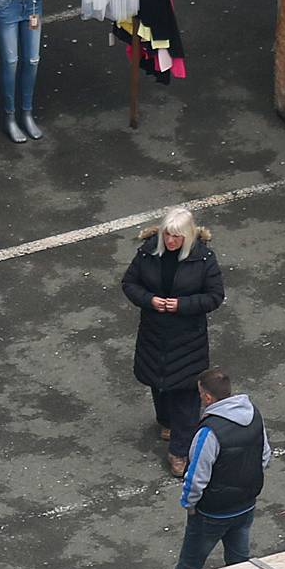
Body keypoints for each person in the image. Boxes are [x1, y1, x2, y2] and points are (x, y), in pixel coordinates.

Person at [120, 204, 225, 476]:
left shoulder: (203, 259)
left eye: (177, 236)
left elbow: (214, 296)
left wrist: (181, 305)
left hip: (187, 338)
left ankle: (180, 451)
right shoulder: (147, 253)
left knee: (187, 396)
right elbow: (130, 284)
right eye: (167, 234)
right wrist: (149, 300)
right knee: (159, 384)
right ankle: (166, 423)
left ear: (188, 236)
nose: (170, 241)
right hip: (154, 333)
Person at [173, 368, 270, 569]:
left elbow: (196, 477)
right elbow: (264, 455)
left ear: (207, 397)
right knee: (239, 563)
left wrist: (190, 505)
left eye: (200, 394)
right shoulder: (254, 415)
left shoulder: (209, 432)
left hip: (212, 513)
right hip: (246, 506)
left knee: (189, 568)